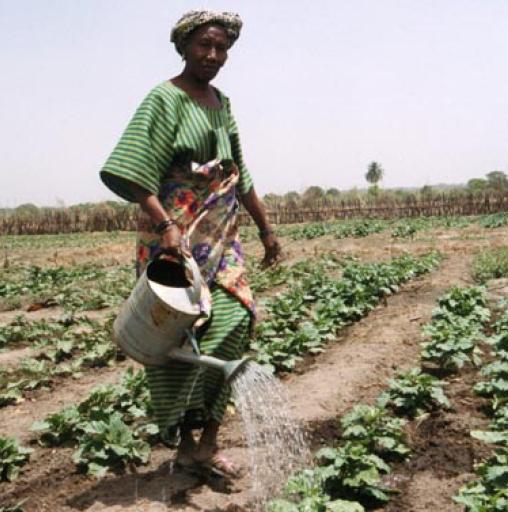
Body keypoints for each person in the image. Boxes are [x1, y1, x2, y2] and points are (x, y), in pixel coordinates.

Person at [100, 10, 282, 477]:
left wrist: (266, 228)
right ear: (184, 46)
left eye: (222, 48)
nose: (213, 55)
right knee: (178, 335)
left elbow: (241, 173)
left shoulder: (222, 103)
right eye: (205, 45)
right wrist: (166, 226)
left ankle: (210, 440)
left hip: (221, 235)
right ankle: (185, 444)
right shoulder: (163, 100)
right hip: (173, 234)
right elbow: (132, 170)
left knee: (236, 319)